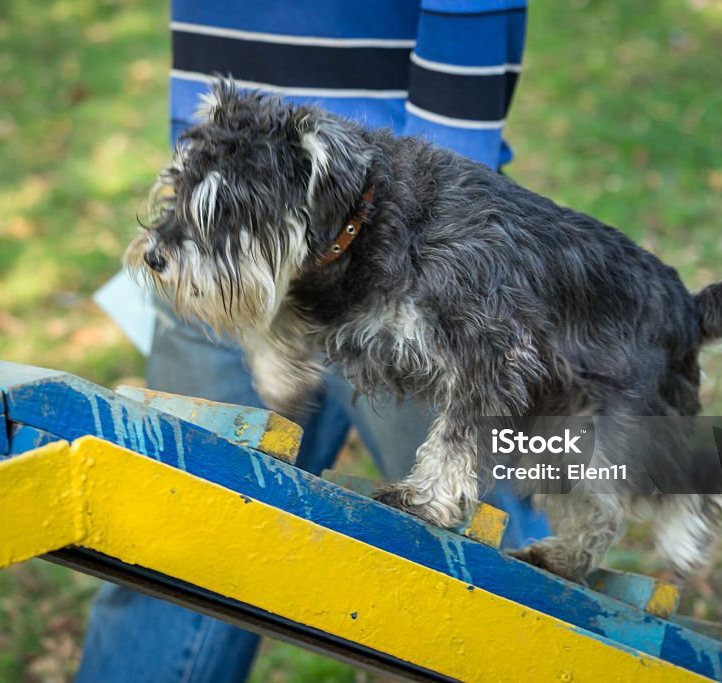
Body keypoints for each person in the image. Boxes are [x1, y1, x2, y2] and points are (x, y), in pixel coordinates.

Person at [79, 2, 547, 681]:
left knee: (470, 555)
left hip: (401, 231)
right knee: (170, 539)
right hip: (230, 224)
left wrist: (443, 203)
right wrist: (205, 172)